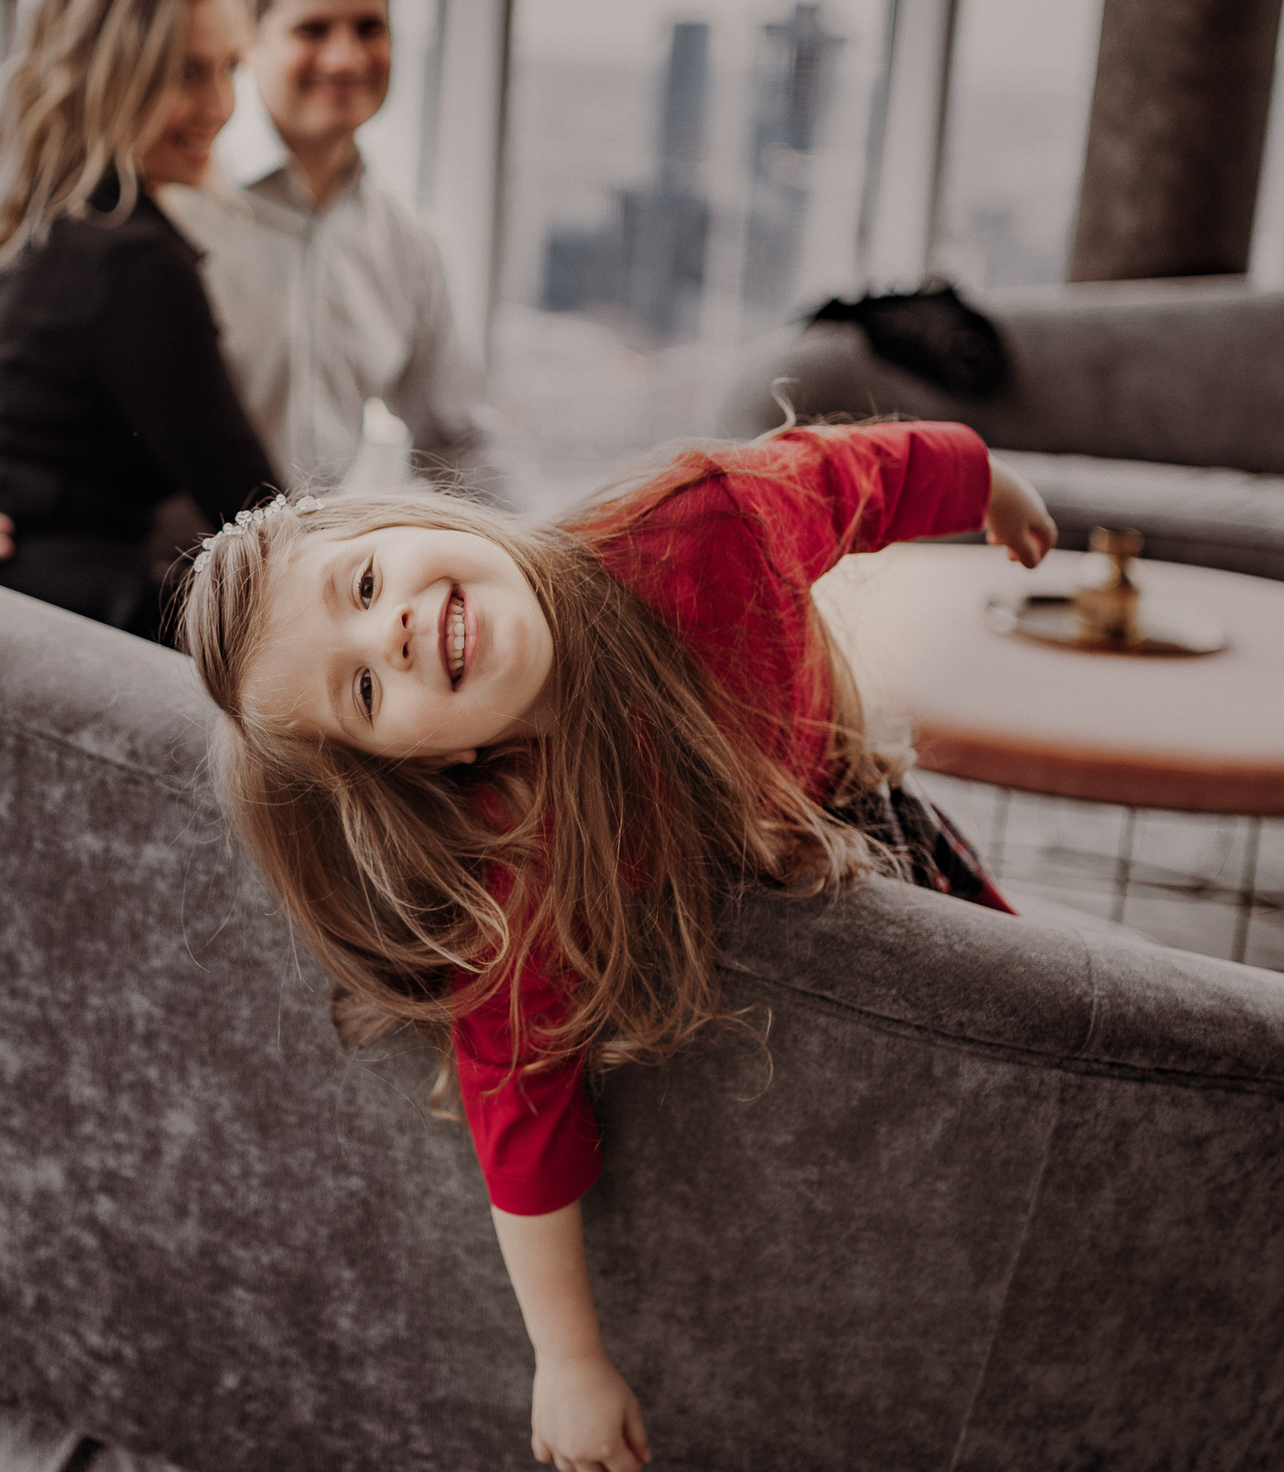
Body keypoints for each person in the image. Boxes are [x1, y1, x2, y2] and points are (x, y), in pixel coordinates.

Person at [177, 421, 1057, 1471]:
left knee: (1037, 1032)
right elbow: (517, 1107)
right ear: (429, 759)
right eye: (363, 691)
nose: (392, 637)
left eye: (363, 586)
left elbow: (855, 474)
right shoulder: (523, 858)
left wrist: (988, 486)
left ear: (418, 519)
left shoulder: (709, 523)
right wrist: (568, 1361)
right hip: (761, 872)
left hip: (848, 798)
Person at [0, 0, 501, 570]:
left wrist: (540, 561)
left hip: (285, 563)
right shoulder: (162, 197)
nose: (345, 58)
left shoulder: (407, 242)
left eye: (369, 27)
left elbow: (457, 438)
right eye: (313, 29)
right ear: (260, 39)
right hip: (190, 579)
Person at [0, 0, 278, 633]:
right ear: (112, 74)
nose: (223, 105)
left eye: (230, 67)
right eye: (187, 73)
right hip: (74, 638)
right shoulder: (132, 261)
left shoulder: (18, 224)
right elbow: (263, 517)